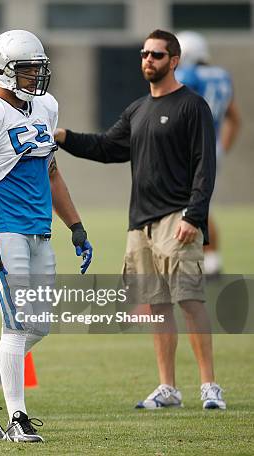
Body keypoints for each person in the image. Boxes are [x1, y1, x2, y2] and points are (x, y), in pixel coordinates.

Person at [54, 29, 225, 410]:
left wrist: (194, 216)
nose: (149, 60)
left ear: (174, 60)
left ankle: (210, 385)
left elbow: (205, 166)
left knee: (190, 300)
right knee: (157, 304)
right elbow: (106, 147)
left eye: (157, 55)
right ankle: (168, 388)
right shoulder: (137, 109)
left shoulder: (192, 106)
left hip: (177, 218)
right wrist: (61, 135)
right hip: (140, 225)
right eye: (145, 54)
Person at [0, 30, 93, 443]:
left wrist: (76, 225)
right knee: (14, 328)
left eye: (37, 67)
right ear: (1, 70)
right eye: (26, 68)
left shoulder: (45, 107)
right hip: (2, 231)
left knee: (40, 326)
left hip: (39, 231)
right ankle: (16, 417)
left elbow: (51, 172)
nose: (35, 76)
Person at [175, 31, 241, 276]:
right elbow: (235, 118)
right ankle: (211, 260)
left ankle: (185, 263)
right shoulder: (221, 76)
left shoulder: (186, 76)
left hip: (190, 149)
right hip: (211, 148)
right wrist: (221, 148)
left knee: (183, 206)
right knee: (200, 205)